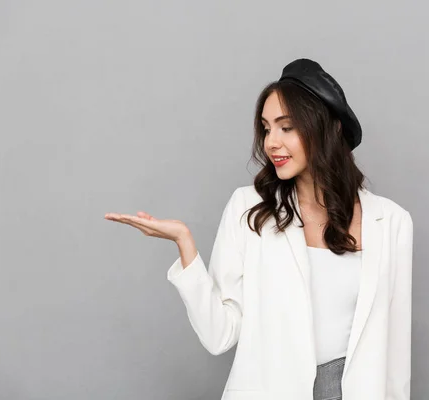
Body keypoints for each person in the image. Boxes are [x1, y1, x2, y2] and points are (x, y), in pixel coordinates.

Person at [105, 58, 413, 400]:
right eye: (266, 128)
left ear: (329, 128)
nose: (270, 143)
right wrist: (185, 245)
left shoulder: (392, 223)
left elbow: (395, 354)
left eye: (286, 127)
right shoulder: (249, 210)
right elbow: (219, 334)